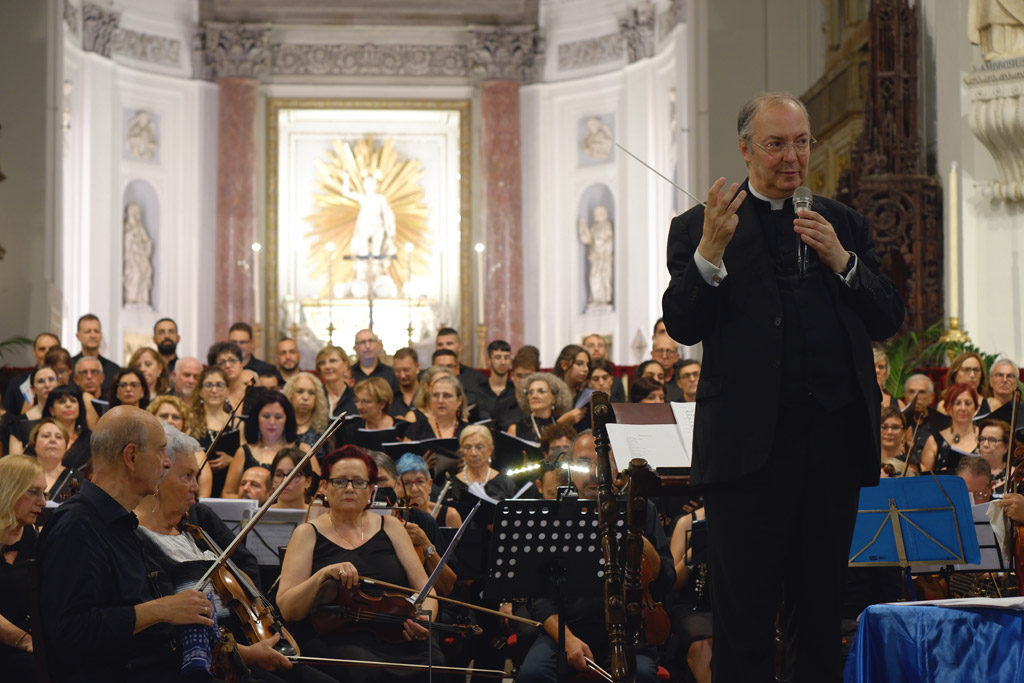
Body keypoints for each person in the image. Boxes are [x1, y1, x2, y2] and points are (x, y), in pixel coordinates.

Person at [661, 91, 904, 681]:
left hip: (829, 455)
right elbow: (684, 322)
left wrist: (844, 262)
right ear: (745, 148)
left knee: (818, 619)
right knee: (741, 623)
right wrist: (710, 253)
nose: (791, 156)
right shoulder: (699, 226)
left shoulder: (844, 223)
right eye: (776, 144)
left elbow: (888, 317)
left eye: (801, 142)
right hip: (745, 461)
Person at [37, 406, 218, 682]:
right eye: (160, 451)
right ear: (131, 456)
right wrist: (161, 609)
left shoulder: (122, 524)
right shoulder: (76, 526)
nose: (166, 463)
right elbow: (70, 631)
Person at [134, 425, 321, 682]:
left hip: (249, 632)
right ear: (159, 475)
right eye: (187, 476)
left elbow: (244, 562)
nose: (196, 487)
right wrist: (248, 653)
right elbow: (168, 630)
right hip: (216, 657)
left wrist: (249, 607)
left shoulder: (199, 517)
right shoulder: (135, 538)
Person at [517, 431, 674, 682]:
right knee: (532, 674)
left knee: (642, 675)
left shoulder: (643, 507)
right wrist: (568, 640)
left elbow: (666, 577)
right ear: (569, 471)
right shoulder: (556, 512)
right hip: (568, 629)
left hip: (630, 632)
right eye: (583, 463)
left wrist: (632, 529)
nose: (594, 471)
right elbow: (540, 599)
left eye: (603, 462)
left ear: (616, 467)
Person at [276, 446, 443, 681]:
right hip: (339, 635)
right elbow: (288, 608)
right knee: (363, 670)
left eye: (359, 482)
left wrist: (425, 619)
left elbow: (426, 590)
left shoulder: (391, 526)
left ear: (372, 490)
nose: (349, 488)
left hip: (396, 630)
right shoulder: (307, 533)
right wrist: (322, 575)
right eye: (340, 481)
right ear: (324, 486)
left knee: (435, 662)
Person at [0, 455, 46, 679]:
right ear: (10, 489)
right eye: (34, 491)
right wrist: (26, 642)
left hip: (27, 654)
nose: (43, 501)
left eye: (43, 492)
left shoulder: (39, 541)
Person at [224, 391, 307, 497]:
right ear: (257, 418)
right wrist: (253, 501)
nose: (272, 422)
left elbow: (312, 491)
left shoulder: (302, 449)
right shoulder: (243, 452)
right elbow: (227, 493)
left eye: (278, 417)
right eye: (266, 416)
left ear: (287, 420)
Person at [189, 366, 242, 498]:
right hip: (198, 488)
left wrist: (231, 461)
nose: (214, 390)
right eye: (208, 385)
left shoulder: (239, 424)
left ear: (227, 390)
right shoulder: (190, 421)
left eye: (219, 385)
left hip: (228, 488)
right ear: (200, 391)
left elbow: (245, 457)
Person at [921, 383, 981, 473]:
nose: (963, 408)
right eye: (957, 403)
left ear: (976, 408)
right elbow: (925, 476)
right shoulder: (934, 440)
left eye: (968, 403)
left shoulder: (985, 436)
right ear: (948, 408)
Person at [395, 453, 463, 528]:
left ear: (429, 485)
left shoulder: (449, 515)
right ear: (398, 486)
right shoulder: (393, 515)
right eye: (406, 483)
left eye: (420, 481)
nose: (414, 489)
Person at [452, 425, 517, 501]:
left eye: (479, 447)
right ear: (462, 451)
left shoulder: (505, 483)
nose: (473, 453)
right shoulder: (452, 484)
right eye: (468, 447)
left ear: (490, 449)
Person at [2, 332, 59, 416]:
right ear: (34, 352)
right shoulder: (17, 383)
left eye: (52, 349)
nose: (47, 353)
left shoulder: (69, 381)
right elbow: (8, 418)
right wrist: (23, 416)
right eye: (42, 349)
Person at [5, 365, 58, 452]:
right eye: (41, 381)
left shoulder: (67, 416)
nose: (47, 385)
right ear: (32, 388)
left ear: (58, 383)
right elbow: (15, 461)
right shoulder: (19, 422)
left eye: (51, 379)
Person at [42, 384, 92, 470]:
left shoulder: (91, 438)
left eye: (73, 401)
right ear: (51, 410)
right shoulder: (41, 437)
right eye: (62, 401)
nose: (68, 405)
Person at [508, 373, 572, 440]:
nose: (534, 396)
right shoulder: (515, 429)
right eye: (530, 392)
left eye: (541, 391)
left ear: (554, 398)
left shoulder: (563, 425)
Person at [70, 314, 121, 395]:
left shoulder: (114, 370)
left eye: (96, 331)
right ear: (78, 336)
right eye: (88, 332)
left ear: (101, 335)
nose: (93, 335)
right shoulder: (69, 367)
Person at [480, 340, 520, 431]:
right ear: (489, 361)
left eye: (506, 358)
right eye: (497, 358)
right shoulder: (478, 390)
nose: (503, 362)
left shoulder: (516, 390)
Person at [283, 372, 329, 450]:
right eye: (300, 391)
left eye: (311, 393)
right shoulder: (280, 424)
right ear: (290, 395)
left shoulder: (326, 427)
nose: (306, 397)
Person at [551, 344, 592, 427]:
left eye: (587, 364)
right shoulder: (550, 392)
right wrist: (562, 422)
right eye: (579, 364)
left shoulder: (585, 392)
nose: (586, 369)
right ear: (564, 365)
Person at [351, 329, 400, 395]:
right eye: (362, 342)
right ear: (355, 348)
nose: (367, 346)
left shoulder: (391, 374)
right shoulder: (349, 374)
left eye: (371, 341)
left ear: (378, 345)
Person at [315, 345, 357, 418]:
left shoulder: (356, 398)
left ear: (345, 366)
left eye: (332, 361)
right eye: (322, 363)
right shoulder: (314, 396)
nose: (327, 366)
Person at [582, 334, 626, 402]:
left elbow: (622, 408)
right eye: (591, 345)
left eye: (600, 345)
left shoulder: (616, 382)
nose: (596, 349)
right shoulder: (579, 378)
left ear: (606, 352)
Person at [208, 341, 250, 412]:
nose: (228, 365)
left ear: (241, 363)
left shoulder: (257, 394)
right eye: (222, 363)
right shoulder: (212, 397)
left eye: (232, 360)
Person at [977, 418, 1011, 492]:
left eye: (992, 440)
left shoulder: (1017, 476)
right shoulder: (970, 472)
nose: (985, 445)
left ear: (1006, 446)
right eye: (982, 439)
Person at [651, 335, 684, 401]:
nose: (664, 356)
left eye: (669, 351)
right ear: (652, 355)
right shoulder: (644, 374)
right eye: (660, 351)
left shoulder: (684, 376)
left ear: (677, 357)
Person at [391, 347, 421, 419]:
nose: (402, 375)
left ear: (417, 367)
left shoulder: (428, 393)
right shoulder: (389, 397)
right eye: (398, 371)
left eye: (406, 370)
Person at [873, 346, 905, 410]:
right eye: (872, 366)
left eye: (881, 367)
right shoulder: (855, 401)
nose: (877, 371)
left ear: (886, 371)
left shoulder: (899, 405)